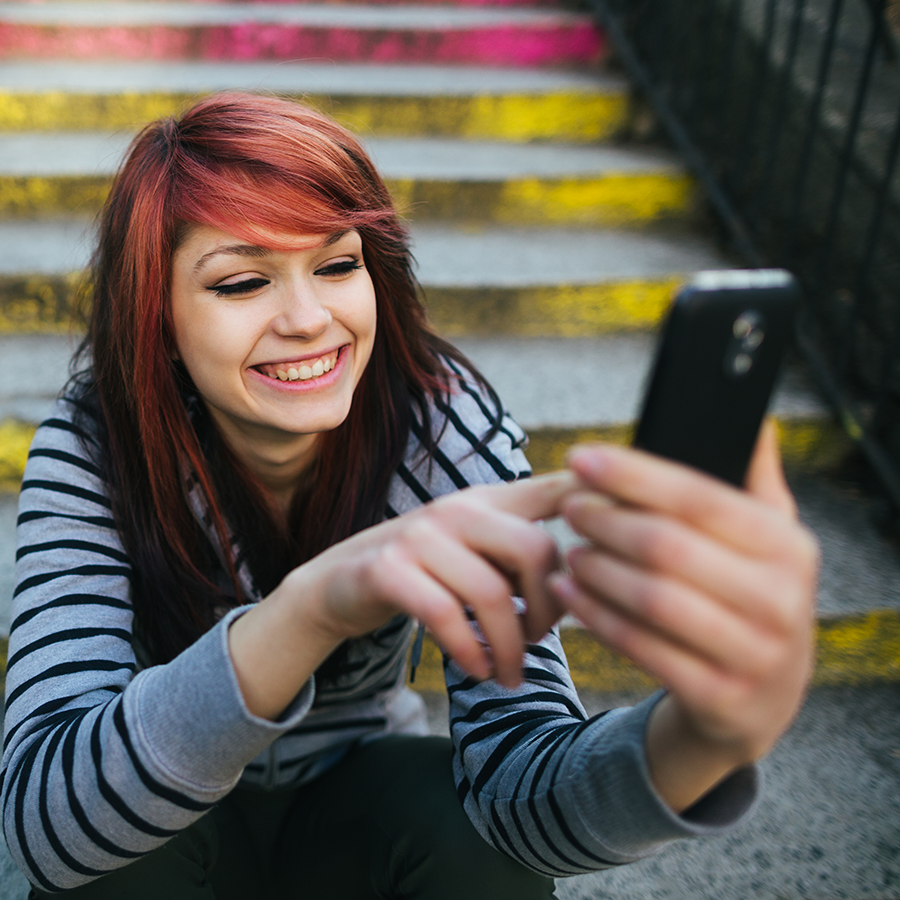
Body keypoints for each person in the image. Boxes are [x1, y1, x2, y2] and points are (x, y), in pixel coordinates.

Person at [1, 92, 819, 899]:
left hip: (352, 810)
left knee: (477, 846)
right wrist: (314, 607)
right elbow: (46, 828)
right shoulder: (97, 445)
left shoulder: (436, 422)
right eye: (242, 282)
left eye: (336, 265)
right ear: (159, 322)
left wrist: (703, 739)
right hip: (170, 833)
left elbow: (521, 788)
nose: (308, 318)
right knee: (106, 860)